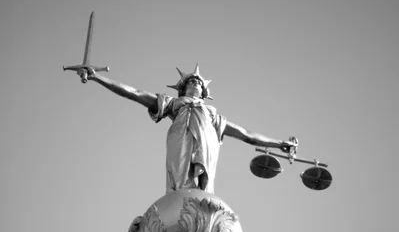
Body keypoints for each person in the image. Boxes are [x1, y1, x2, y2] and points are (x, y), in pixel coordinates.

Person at [81, 64, 297, 194]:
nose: (195, 82)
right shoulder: (173, 104)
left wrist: (279, 144)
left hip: (206, 145)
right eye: (191, 81)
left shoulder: (212, 114)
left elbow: (247, 135)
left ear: (204, 91)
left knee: (202, 188)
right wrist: (96, 77)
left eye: (199, 82)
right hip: (179, 139)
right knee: (180, 180)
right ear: (182, 88)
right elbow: (134, 93)